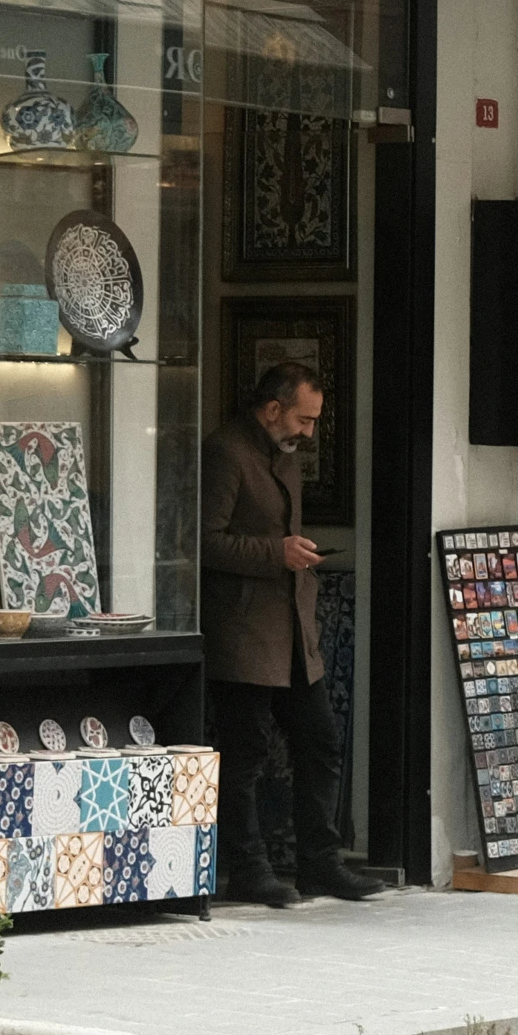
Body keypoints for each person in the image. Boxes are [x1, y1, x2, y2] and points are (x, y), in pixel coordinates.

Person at [201, 362, 381, 905]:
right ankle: (249, 869)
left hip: (292, 630)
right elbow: (203, 542)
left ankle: (320, 863)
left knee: (320, 742)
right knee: (245, 751)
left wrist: (292, 553)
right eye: (303, 419)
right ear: (274, 407)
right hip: (245, 628)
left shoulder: (284, 455)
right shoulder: (226, 452)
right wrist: (275, 553)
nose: (308, 432)